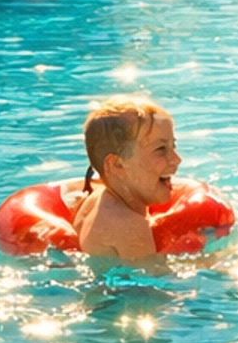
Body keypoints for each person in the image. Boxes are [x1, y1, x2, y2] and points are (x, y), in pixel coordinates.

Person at [71, 98, 182, 262]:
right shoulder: (130, 227)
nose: (176, 159)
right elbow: (152, 283)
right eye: (160, 149)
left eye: (173, 146)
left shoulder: (96, 199)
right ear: (117, 165)